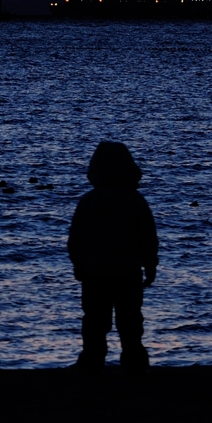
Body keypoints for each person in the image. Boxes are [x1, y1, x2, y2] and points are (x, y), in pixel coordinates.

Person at [68, 141, 159, 371]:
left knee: (95, 322)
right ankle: (134, 363)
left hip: (95, 271)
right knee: (130, 322)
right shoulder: (135, 201)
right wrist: (150, 265)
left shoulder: (89, 201)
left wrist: (78, 264)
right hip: (128, 270)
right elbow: (147, 236)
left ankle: (92, 362)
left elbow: (76, 238)